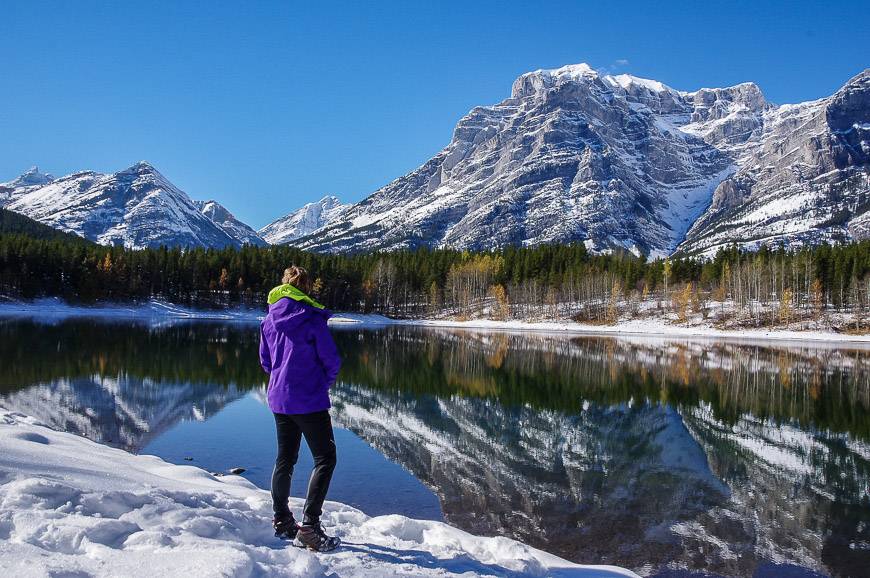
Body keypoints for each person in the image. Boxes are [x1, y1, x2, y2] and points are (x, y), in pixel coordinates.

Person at [259, 265, 342, 552]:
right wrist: (321, 382)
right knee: (325, 459)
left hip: (279, 399)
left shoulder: (268, 320)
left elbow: (266, 362)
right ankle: (309, 527)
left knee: (285, 458)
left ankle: (282, 520)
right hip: (308, 399)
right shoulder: (312, 319)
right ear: (305, 289)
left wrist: (281, 378)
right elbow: (331, 361)